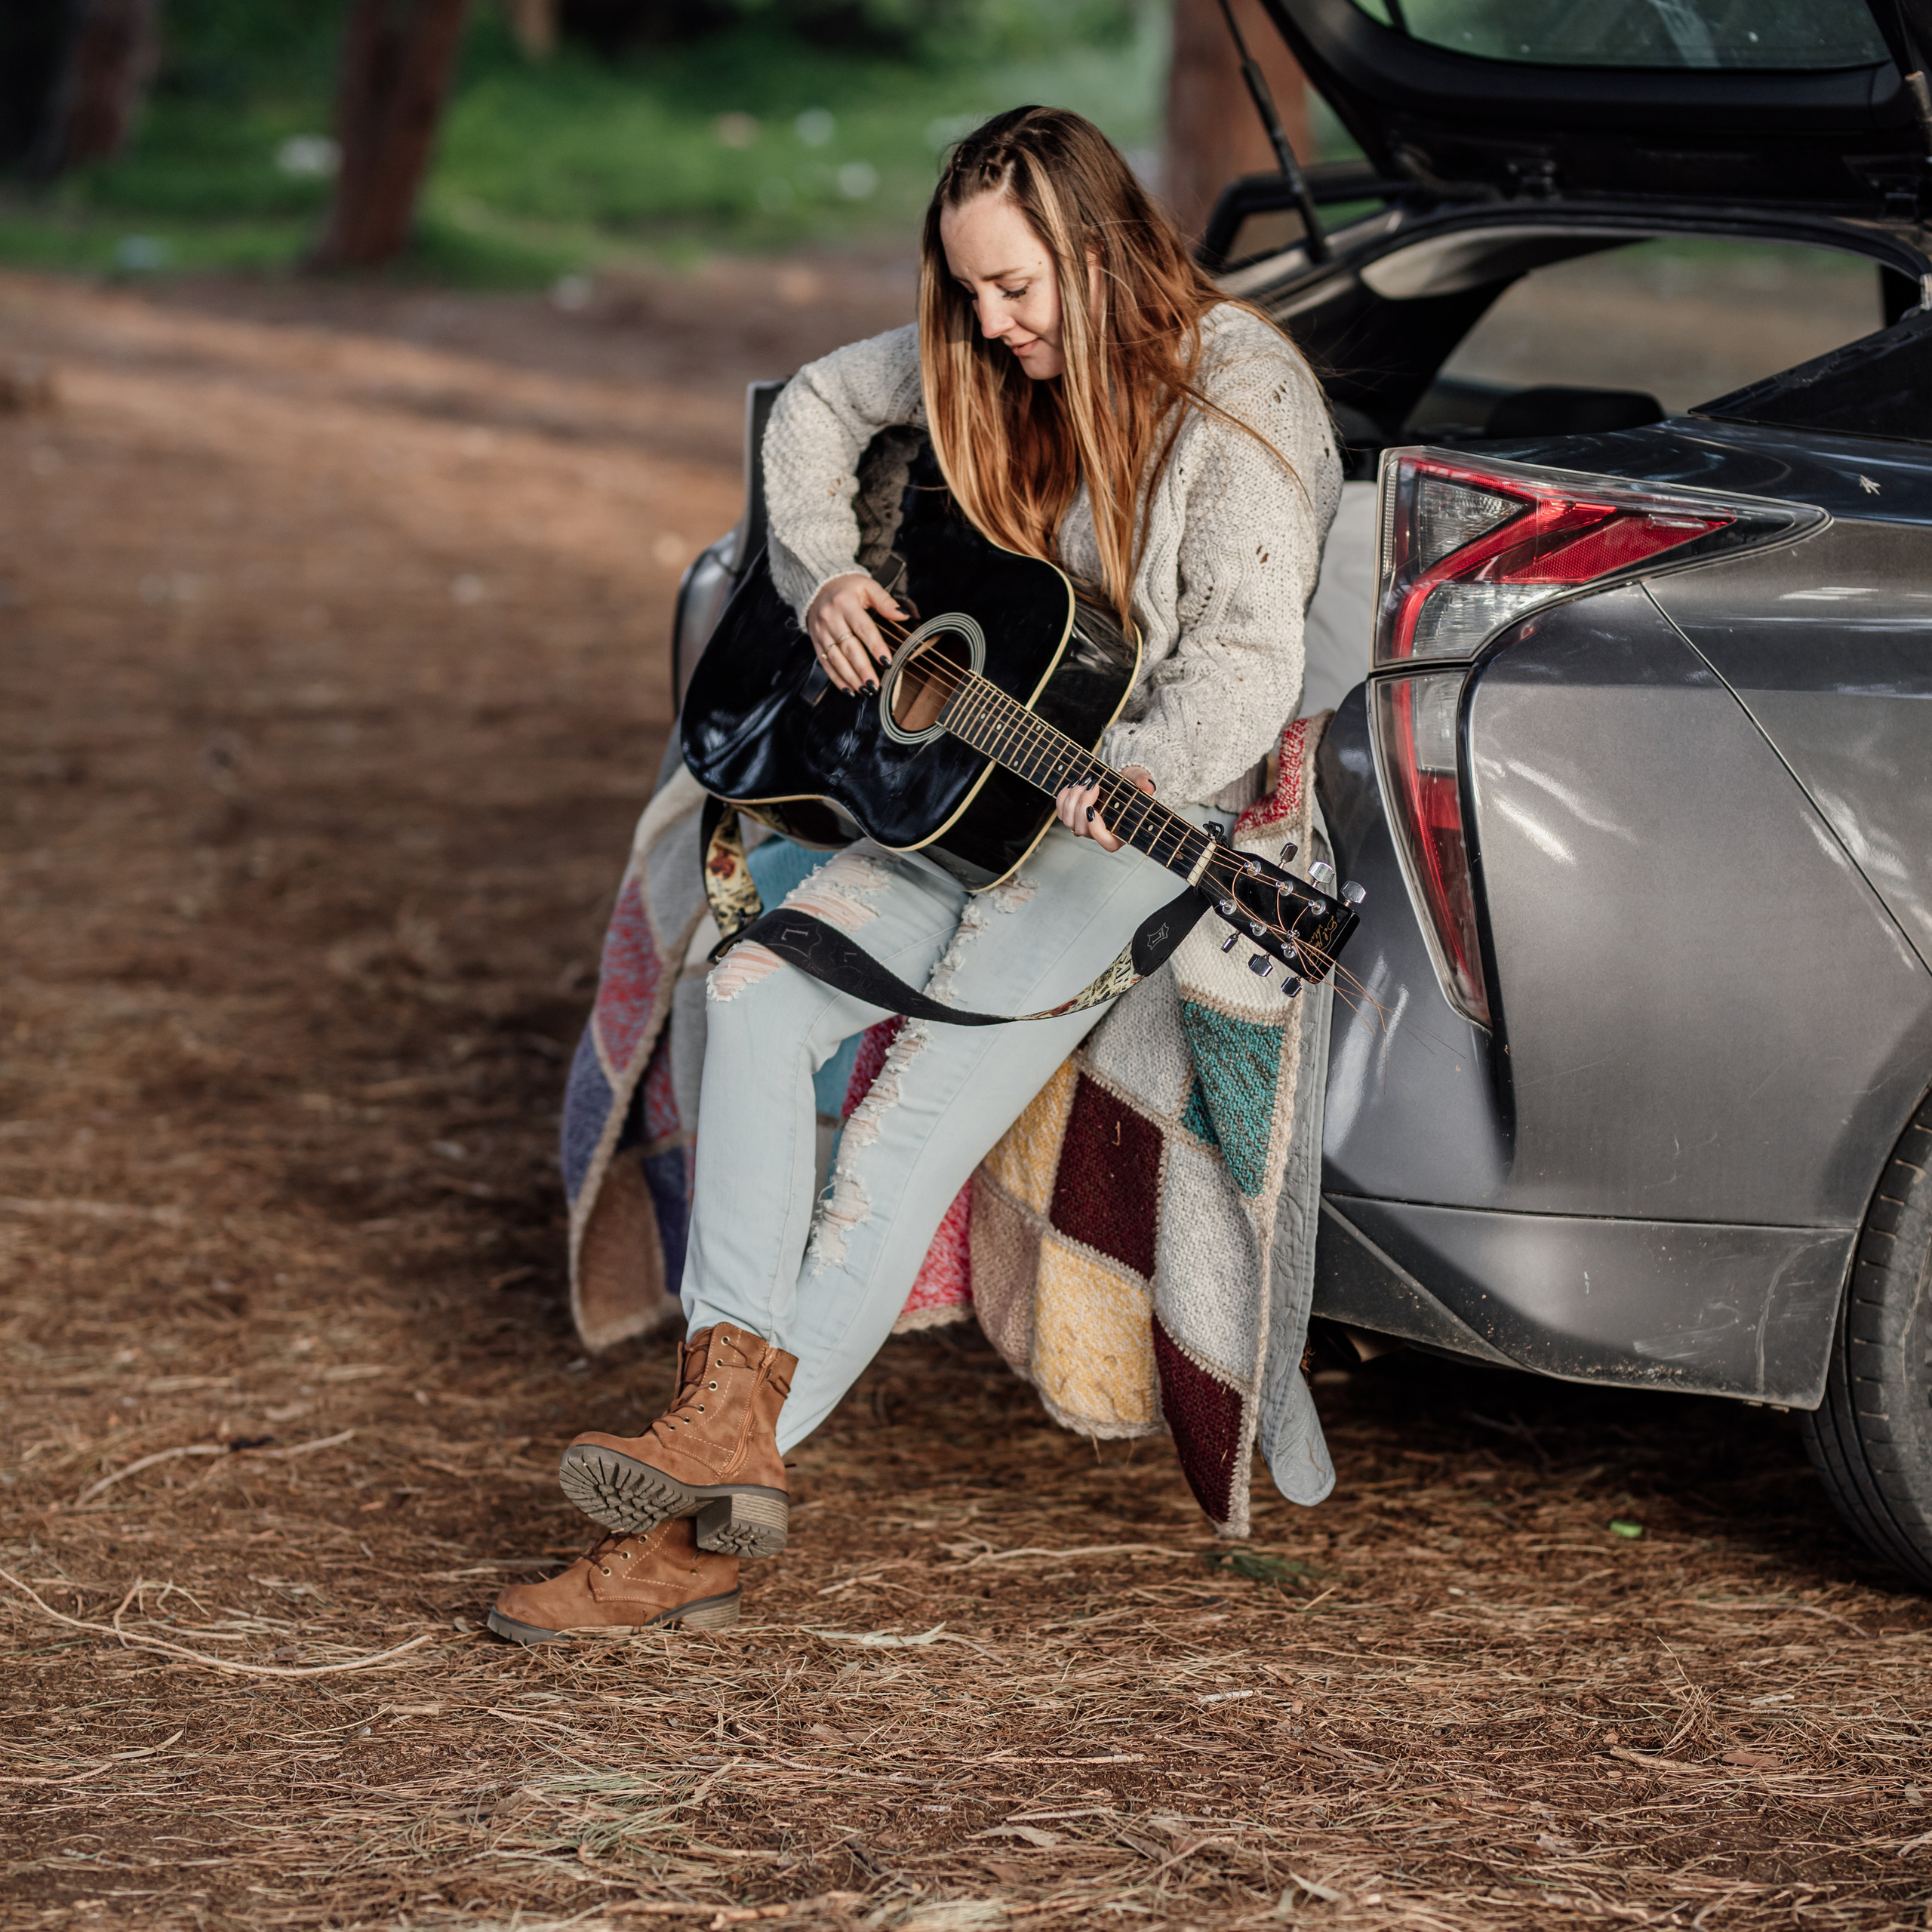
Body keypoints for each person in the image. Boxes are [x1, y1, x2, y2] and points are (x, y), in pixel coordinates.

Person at [488, 105, 1341, 1645]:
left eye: (1016, 289)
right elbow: (816, 400)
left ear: (1096, 247)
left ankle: (690, 1523)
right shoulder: (983, 334)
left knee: (903, 1123)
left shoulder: (1238, 399)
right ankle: (723, 1425)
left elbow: (1241, 654)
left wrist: (1145, 768)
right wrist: (822, 572)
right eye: (968, 293)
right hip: (973, 796)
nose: (990, 324)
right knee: (746, 989)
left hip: (1122, 828)